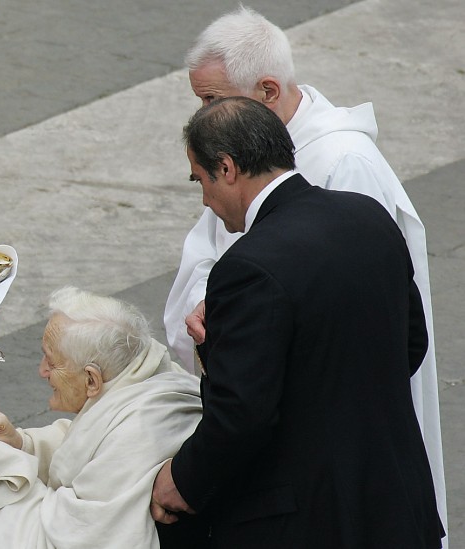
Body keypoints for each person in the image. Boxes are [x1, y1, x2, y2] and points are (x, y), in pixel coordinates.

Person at [161, 7, 446, 536]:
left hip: (321, 490)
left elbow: (250, 402)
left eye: (212, 102)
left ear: (267, 91)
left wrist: (184, 479)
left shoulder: (344, 166)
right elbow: (409, 336)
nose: (204, 116)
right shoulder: (347, 208)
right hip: (383, 489)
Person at [0, 287, 204, 549]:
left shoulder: (140, 433)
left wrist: (6, 465)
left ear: (92, 380)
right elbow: (88, 441)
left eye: (51, 361)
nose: (41, 371)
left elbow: (71, 534)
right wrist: (20, 444)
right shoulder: (142, 374)